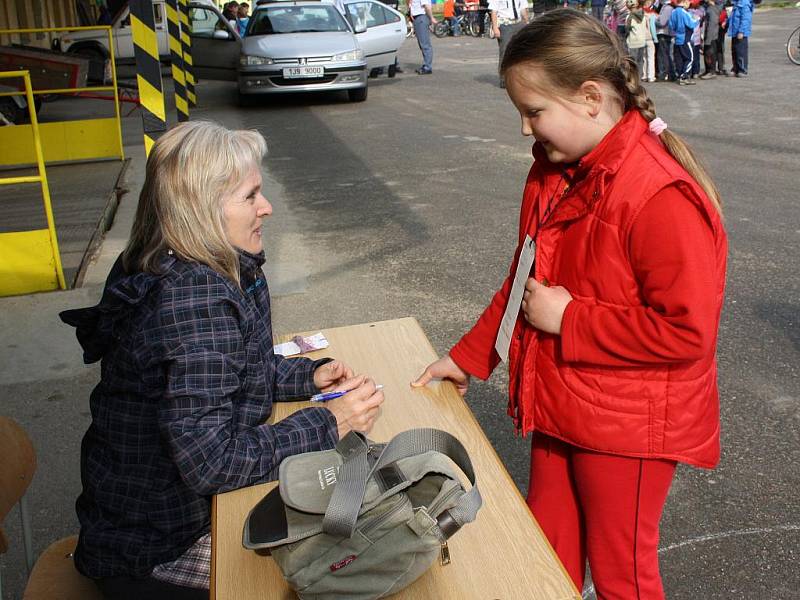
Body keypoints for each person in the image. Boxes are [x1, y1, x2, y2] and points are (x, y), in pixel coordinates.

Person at [412, 10, 727, 598]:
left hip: (627, 425)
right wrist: (468, 358)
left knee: (621, 576)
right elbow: (523, 279)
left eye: (534, 112)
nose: (526, 129)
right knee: (545, 554)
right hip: (563, 400)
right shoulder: (557, 171)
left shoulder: (660, 193)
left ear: (589, 97)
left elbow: (687, 332)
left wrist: (569, 318)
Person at [60, 121, 384, 600]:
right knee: (344, 567)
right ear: (202, 211)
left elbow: (234, 369)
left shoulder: (190, 262)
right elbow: (211, 462)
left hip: (149, 520)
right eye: (251, 196)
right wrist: (327, 423)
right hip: (158, 549)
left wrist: (308, 374)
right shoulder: (192, 302)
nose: (267, 207)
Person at [488, 0, 528, 87]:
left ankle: (519, 77)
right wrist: (495, 28)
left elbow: (523, 8)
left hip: (519, 23)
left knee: (520, 52)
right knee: (505, 52)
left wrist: (526, 22)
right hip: (505, 25)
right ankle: (504, 79)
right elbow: (494, 11)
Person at [669, 0, 698, 84]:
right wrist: (697, 19)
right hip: (685, 38)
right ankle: (684, 76)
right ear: (684, 2)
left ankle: (680, 75)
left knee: (679, 58)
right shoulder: (684, 13)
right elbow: (691, 24)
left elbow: (671, 25)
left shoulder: (673, 12)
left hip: (677, 38)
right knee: (690, 58)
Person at [409, 0, 438, 74]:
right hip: (418, 17)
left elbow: (427, 7)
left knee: (425, 44)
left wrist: (431, 18)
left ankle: (428, 67)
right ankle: (426, 64)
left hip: (421, 17)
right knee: (422, 43)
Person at [727, 0, 753, 76]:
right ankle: (735, 68)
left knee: (741, 52)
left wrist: (742, 31)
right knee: (734, 51)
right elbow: (732, 17)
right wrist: (727, 22)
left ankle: (743, 70)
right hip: (734, 32)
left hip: (741, 33)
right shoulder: (736, 3)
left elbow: (746, 19)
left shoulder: (745, 4)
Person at [700, 0, 723, 78]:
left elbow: (712, 25)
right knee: (706, 53)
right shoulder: (709, 8)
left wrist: (708, 39)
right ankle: (707, 70)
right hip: (709, 35)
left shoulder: (712, 10)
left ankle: (711, 71)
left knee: (710, 53)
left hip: (711, 36)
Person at [655, 0, 674, 80]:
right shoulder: (665, 7)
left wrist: (655, 20)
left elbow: (662, 23)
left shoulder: (667, 8)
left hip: (664, 33)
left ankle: (663, 74)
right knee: (664, 54)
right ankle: (666, 73)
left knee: (663, 55)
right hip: (664, 33)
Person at [641, 0, 658, 81]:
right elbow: (652, 28)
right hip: (650, 38)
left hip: (641, 38)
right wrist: (655, 38)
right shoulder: (651, 14)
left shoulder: (639, 14)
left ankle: (644, 75)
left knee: (644, 58)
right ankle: (651, 76)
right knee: (651, 58)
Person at [688, 0, 705, 78]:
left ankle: (690, 71)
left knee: (689, 56)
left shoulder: (687, 12)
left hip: (689, 37)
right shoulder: (701, 11)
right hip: (697, 37)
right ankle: (696, 72)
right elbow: (701, 23)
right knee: (696, 56)